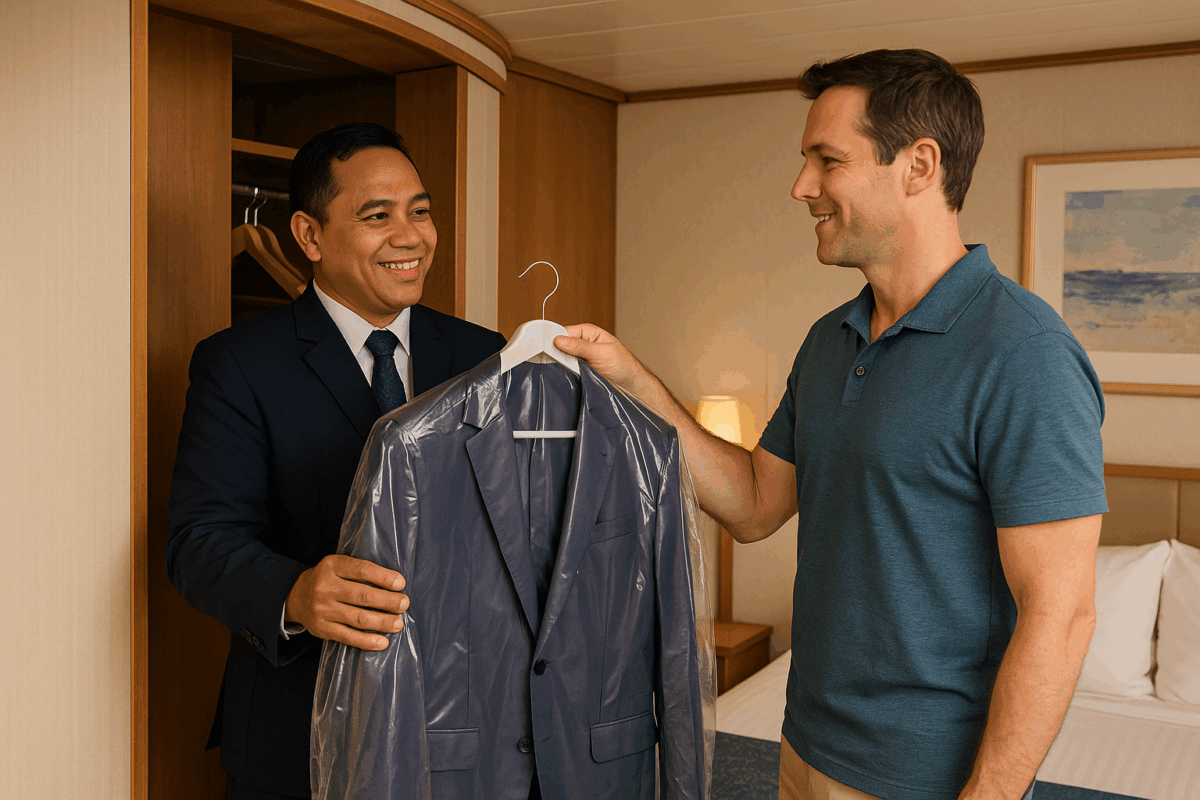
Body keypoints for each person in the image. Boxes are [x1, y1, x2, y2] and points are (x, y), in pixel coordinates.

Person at [555, 49, 1107, 800]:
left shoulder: (1024, 353)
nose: (800, 187)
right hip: (803, 748)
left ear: (918, 165)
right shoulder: (830, 339)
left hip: (923, 778)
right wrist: (632, 380)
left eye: (827, 160)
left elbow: (1062, 613)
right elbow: (753, 505)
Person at [166, 122, 505, 799]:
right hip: (297, 733)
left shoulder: (484, 354)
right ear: (309, 236)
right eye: (378, 216)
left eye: (421, 210)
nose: (410, 236)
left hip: (461, 725)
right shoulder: (239, 364)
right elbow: (197, 542)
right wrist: (294, 593)